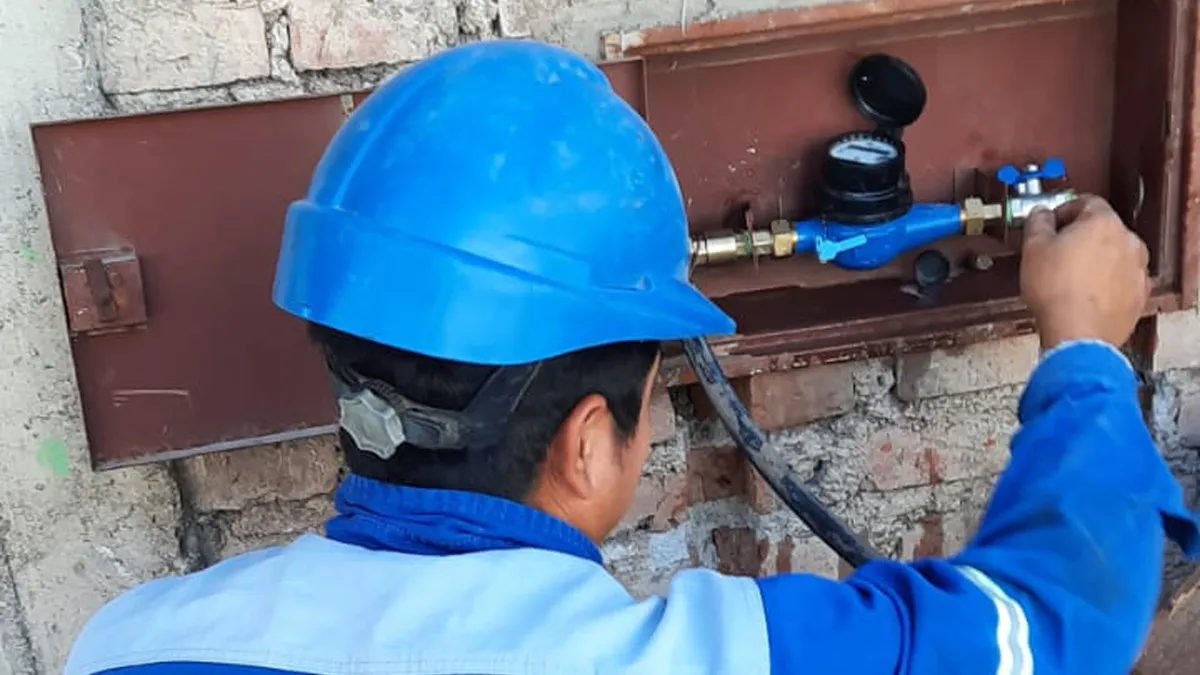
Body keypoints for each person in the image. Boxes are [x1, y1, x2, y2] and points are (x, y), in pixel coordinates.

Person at [67, 39, 1199, 675]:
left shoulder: (130, 644)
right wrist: (1085, 347)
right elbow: (1052, 621)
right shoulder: (713, 662)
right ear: (585, 444)